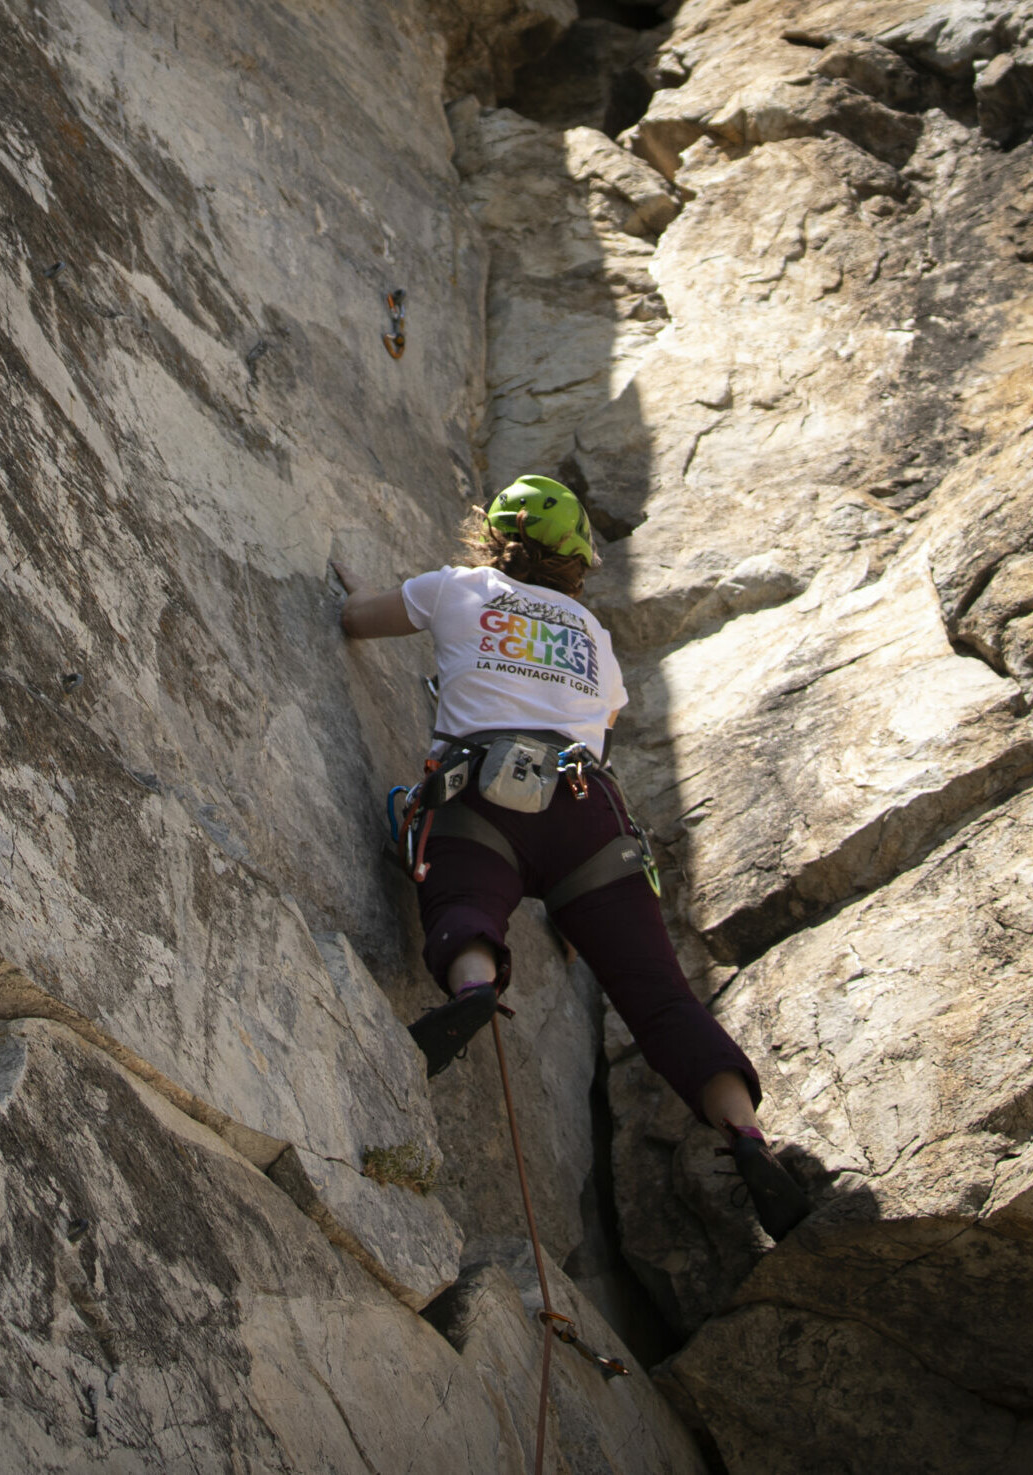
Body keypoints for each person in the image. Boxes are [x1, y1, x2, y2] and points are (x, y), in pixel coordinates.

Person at [334, 474, 811, 1241]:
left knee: (465, 894)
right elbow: (604, 721)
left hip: (485, 790)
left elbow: (358, 621)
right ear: (576, 561)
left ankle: (473, 986)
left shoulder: (458, 588)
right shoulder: (593, 636)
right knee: (661, 998)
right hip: (588, 815)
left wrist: (360, 592)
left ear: (494, 537)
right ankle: (746, 1131)